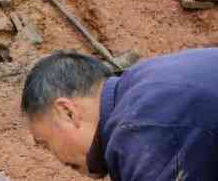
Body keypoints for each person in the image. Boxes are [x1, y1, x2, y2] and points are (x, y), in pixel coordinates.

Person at [21, 48, 218, 180]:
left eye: (45, 143)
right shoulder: (141, 86)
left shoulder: (141, 128)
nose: (56, 157)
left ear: (67, 112)